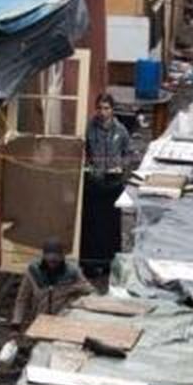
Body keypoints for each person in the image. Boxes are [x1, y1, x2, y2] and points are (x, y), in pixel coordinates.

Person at [81, 92, 132, 282]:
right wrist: (89, 167)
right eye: (100, 108)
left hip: (113, 183)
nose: (103, 112)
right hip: (94, 183)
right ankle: (92, 264)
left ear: (112, 110)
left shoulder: (120, 130)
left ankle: (110, 263)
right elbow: (83, 149)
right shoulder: (89, 129)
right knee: (92, 225)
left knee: (111, 225)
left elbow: (128, 153)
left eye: (107, 108)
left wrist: (122, 166)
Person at [13, 239, 90, 326]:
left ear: (62, 257)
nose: (52, 264)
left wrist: (72, 290)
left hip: (63, 319)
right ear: (44, 256)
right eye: (49, 261)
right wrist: (16, 322)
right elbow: (22, 299)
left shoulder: (72, 272)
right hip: (39, 318)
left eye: (55, 261)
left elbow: (89, 291)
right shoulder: (33, 272)